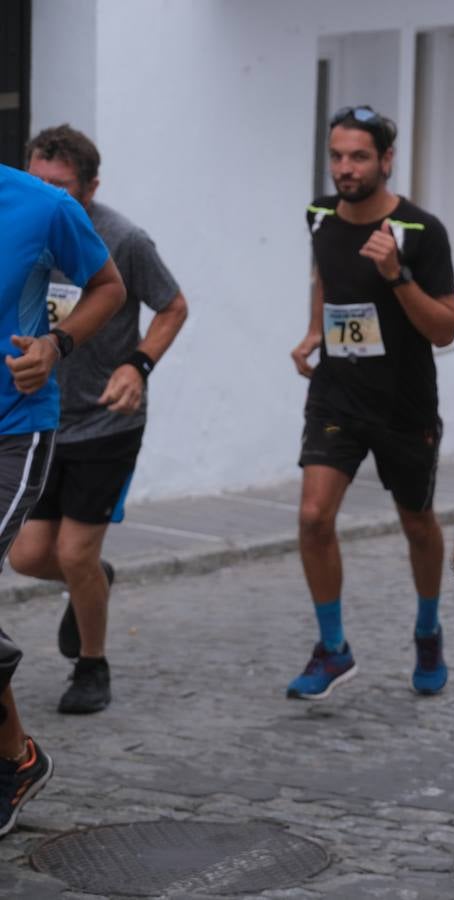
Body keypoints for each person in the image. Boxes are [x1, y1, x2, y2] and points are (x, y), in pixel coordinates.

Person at [9, 126, 189, 715]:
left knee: (76, 552)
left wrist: (138, 366)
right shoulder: (25, 220)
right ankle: (93, 583)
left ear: (91, 187)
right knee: (31, 557)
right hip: (42, 424)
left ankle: (92, 666)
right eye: (37, 180)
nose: (48, 193)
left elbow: (172, 306)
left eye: (61, 185)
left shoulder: (123, 238)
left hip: (105, 420)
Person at [286, 106, 454, 700]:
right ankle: (333, 649)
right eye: (336, 155)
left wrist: (396, 274)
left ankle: (428, 628)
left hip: (404, 402)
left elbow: (444, 329)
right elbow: (325, 280)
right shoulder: (318, 215)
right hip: (336, 392)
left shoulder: (420, 232)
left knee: (416, 523)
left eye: (358, 156)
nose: (345, 168)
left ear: (386, 159)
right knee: (312, 517)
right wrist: (314, 331)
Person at [0, 163, 126, 837]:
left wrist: (56, 343)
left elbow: (108, 287)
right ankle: (16, 758)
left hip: (12, 430)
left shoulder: (42, 207)